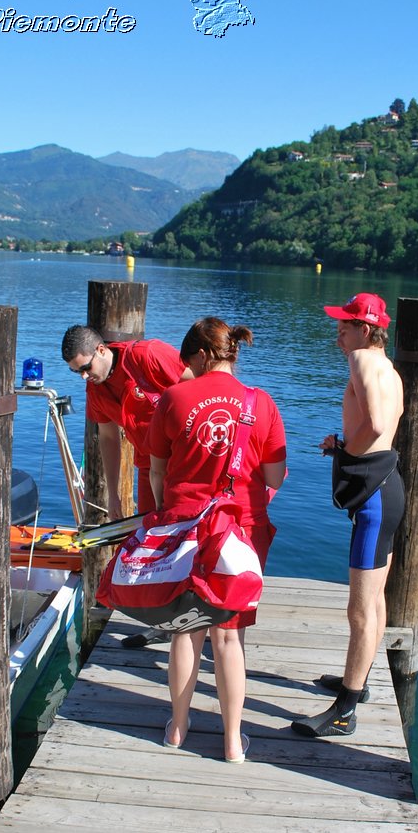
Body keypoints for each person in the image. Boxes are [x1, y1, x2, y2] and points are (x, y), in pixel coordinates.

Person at [146, 317, 287, 763]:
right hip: (241, 532)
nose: (184, 371)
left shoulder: (172, 399)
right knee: (229, 637)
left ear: (204, 355)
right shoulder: (260, 403)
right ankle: (231, 742)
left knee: (187, 630)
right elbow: (275, 475)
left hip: (185, 529)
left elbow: (156, 472)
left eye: (188, 362)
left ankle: (178, 729)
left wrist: (164, 518)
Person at [291, 293, 404, 739]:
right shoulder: (387, 367)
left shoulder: (362, 360)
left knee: (358, 611)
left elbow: (376, 425)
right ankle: (356, 681)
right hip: (387, 486)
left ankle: (344, 711)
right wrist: (345, 444)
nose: (338, 334)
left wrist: (345, 452)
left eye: (345, 326)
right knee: (375, 600)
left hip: (374, 497)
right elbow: (389, 419)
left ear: (366, 329)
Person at [61, 325, 189, 520]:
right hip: (149, 468)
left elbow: (201, 384)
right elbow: (109, 438)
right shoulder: (95, 391)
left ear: (101, 350)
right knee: (151, 534)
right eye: (77, 372)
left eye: (86, 368)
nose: (84, 376)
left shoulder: (146, 356)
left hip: (186, 462)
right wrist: (113, 495)